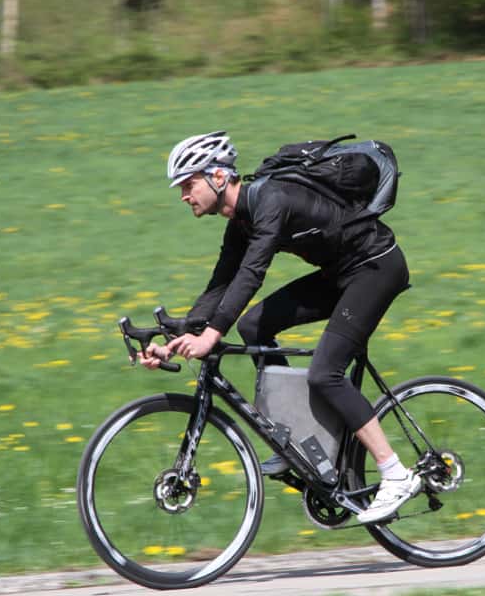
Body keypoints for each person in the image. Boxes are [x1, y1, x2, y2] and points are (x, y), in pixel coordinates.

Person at [137, 131, 417, 524]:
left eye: (189, 183)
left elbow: (252, 273)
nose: (184, 194)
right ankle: (298, 442)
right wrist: (173, 342)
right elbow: (220, 286)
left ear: (219, 177)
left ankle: (395, 473)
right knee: (254, 326)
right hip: (340, 274)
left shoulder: (273, 200)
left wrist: (211, 336)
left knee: (325, 372)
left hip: (375, 268)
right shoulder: (240, 222)